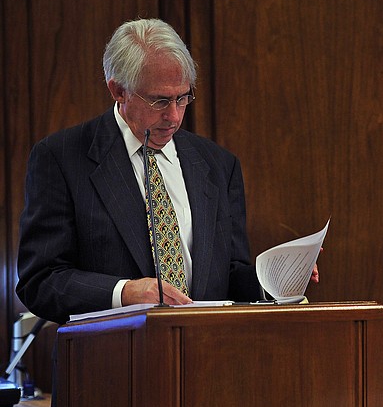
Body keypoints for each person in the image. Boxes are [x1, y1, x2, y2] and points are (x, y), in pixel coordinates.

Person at [16, 18, 317, 325]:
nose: (173, 116)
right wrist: (125, 293)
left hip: (208, 356)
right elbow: (40, 280)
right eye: (159, 100)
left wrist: (278, 280)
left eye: (182, 98)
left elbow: (229, 273)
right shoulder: (62, 158)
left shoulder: (218, 164)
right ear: (118, 90)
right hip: (112, 361)